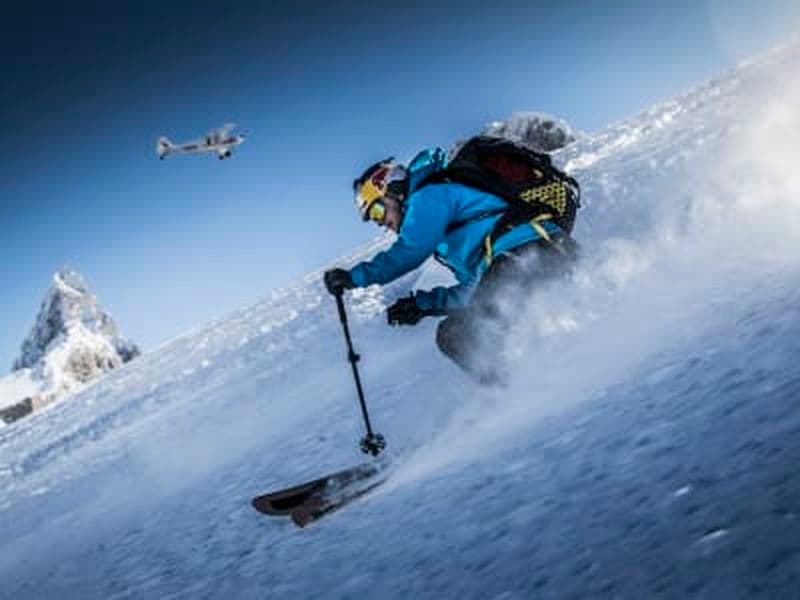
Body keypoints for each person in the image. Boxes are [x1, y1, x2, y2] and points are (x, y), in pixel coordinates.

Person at [323, 146, 578, 384]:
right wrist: (422, 304)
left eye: (378, 212)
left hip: (530, 251)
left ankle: (520, 390)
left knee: (465, 333)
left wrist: (353, 277)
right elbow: (474, 290)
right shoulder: (453, 234)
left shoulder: (429, 195)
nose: (381, 223)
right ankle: (531, 384)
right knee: (454, 335)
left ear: (392, 191)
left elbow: (410, 251)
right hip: (536, 257)